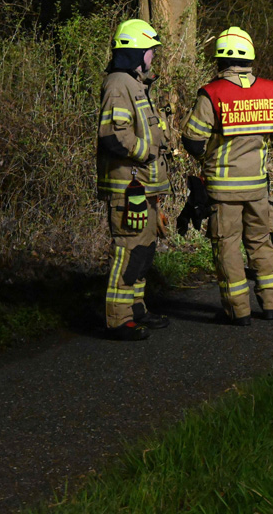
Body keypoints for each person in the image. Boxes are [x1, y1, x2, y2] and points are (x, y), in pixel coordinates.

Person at [181, 26, 273, 325]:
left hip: (222, 189)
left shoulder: (212, 94)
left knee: (228, 245)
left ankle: (238, 311)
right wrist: (262, 141)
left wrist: (211, 154)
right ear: (250, 57)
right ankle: (271, 305)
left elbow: (192, 140)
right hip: (257, 187)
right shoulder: (272, 90)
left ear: (219, 60)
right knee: (260, 241)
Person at [96, 18, 172, 341]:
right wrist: (149, 150)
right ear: (136, 52)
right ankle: (118, 319)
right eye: (150, 51)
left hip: (144, 187)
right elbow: (113, 136)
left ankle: (136, 309)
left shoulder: (137, 85)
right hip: (128, 189)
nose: (153, 57)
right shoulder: (118, 84)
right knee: (127, 252)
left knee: (143, 251)